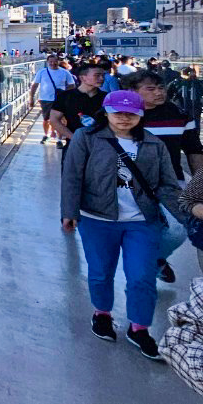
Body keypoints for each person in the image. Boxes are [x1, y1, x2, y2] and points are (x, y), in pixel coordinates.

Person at [61, 91, 184, 361]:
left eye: (131, 113)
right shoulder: (87, 138)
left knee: (141, 276)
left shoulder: (154, 144)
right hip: (96, 218)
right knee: (100, 272)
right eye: (118, 112)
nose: (124, 118)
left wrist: (186, 216)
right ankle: (102, 313)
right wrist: (69, 211)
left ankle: (139, 327)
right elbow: (72, 175)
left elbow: (167, 186)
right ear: (106, 112)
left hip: (142, 221)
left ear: (141, 115)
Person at [123, 70, 203, 284]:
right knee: (140, 229)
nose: (159, 93)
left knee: (179, 229)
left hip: (171, 182)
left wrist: (198, 183)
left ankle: (156, 259)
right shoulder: (121, 115)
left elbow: (194, 150)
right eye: (151, 89)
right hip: (128, 185)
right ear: (133, 92)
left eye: (161, 88)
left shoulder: (178, 114)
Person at [50, 61, 109, 150]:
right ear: (82, 78)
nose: (101, 78)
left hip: (103, 146)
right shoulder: (66, 96)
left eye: (103, 75)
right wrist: (73, 137)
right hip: (75, 145)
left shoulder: (108, 97)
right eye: (97, 75)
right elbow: (54, 120)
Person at [30, 55, 76, 144]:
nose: (52, 63)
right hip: (45, 99)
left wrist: (64, 92)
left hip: (60, 99)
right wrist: (31, 98)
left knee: (59, 119)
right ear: (47, 62)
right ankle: (46, 135)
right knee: (46, 119)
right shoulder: (42, 72)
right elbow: (35, 85)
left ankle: (59, 139)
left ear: (58, 61)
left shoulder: (65, 72)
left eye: (54, 61)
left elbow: (72, 85)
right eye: (50, 61)